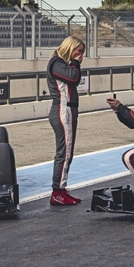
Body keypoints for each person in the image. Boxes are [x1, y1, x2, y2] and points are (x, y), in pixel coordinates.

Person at [46, 35, 85, 205]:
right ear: (71, 48)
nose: (81, 55)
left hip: (68, 109)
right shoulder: (57, 63)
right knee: (65, 151)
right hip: (63, 109)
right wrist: (75, 63)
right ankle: (58, 191)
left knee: (67, 151)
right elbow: (73, 78)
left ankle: (61, 189)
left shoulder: (62, 64)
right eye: (79, 51)